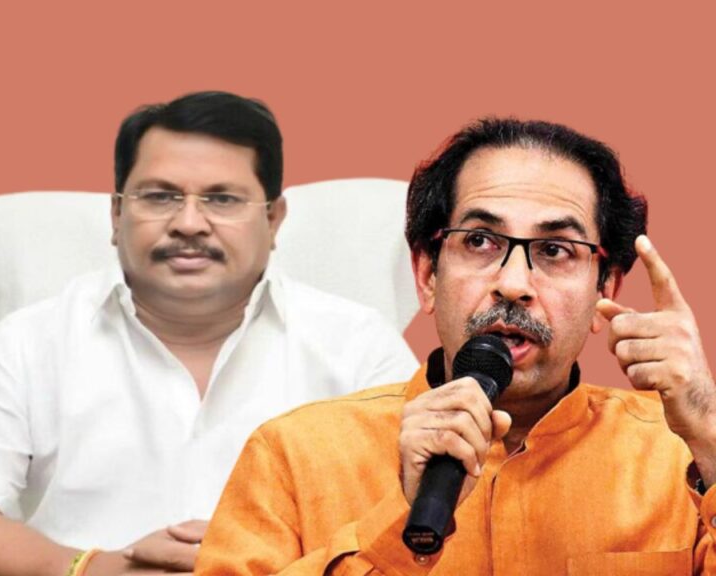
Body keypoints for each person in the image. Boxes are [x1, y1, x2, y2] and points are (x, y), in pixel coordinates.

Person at [0, 91, 418, 576]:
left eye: (222, 199)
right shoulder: (28, 343)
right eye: (160, 197)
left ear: (273, 219)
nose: (189, 223)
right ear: (116, 215)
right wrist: (91, 568)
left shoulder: (358, 347)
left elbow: (415, 511)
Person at [197, 118, 716, 575]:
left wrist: (709, 433)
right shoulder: (292, 454)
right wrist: (399, 523)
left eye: (555, 249)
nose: (513, 284)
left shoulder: (679, 454)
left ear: (606, 288)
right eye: (480, 241)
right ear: (427, 275)